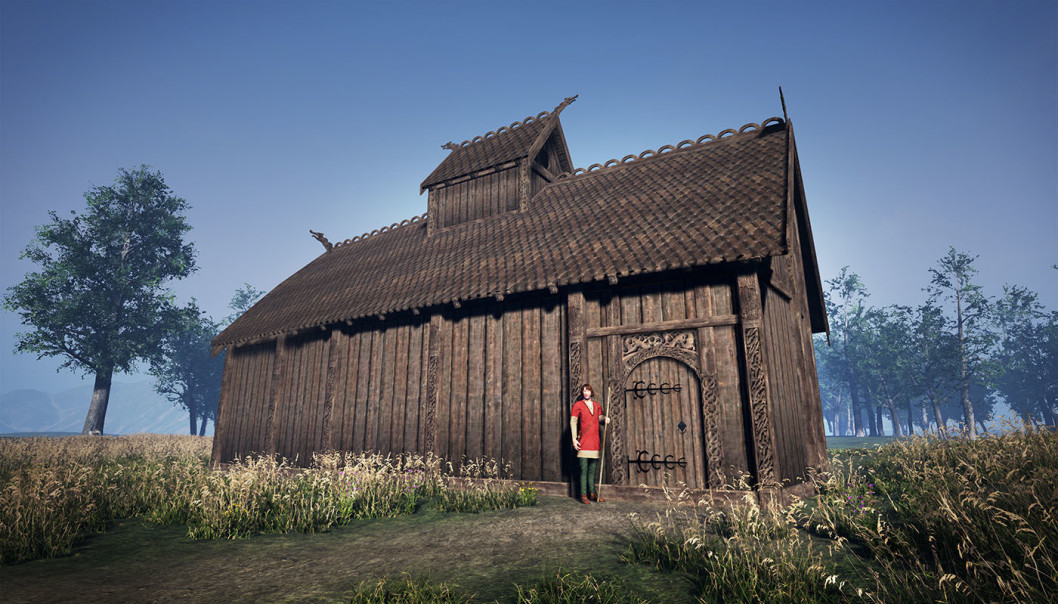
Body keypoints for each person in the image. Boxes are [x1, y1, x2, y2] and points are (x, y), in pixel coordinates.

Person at [570, 383, 609, 504]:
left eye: (588, 391)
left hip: (595, 442)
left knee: (592, 470)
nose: (586, 393)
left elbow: (600, 418)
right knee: (584, 470)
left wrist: (605, 419)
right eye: (584, 391)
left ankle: (592, 493)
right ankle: (583, 495)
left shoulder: (597, 406)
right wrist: (574, 439)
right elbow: (573, 422)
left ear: (591, 392)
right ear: (582, 393)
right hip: (584, 442)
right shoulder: (578, 405)